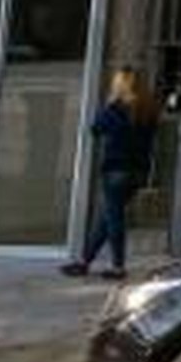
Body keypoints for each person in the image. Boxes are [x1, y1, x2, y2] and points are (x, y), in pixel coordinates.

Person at [67, 66, 154, 279]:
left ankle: (118, 266)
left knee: (114, 219)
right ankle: (84, 261)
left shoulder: (114, 108)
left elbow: (95, 129)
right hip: (138, 172)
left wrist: (110, 103)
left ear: (120, 85)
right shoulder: (146, 109)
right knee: (106, 218)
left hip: (116, 171)